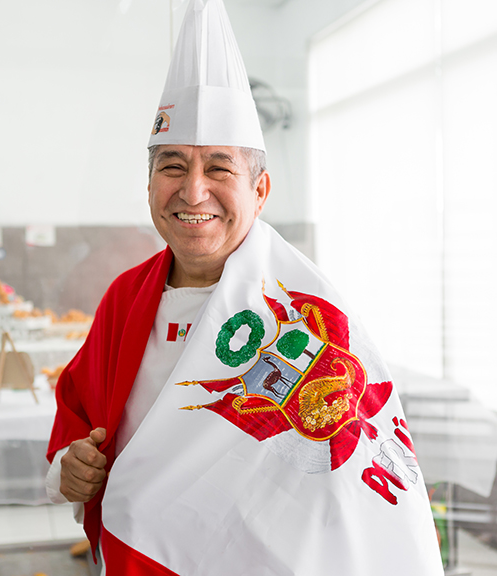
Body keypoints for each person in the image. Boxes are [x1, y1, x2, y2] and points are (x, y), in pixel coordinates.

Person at [47, 1, 444, 574]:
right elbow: (78, 417)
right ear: (150, 182)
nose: (193, 192)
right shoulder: (125, 298)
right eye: (172, 166)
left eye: (219, 168)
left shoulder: (307, 314)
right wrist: (70, 465)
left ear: (260, 191)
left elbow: (348, 483)